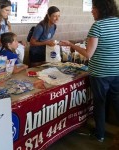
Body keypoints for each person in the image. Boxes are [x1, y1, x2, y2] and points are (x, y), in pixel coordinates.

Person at [60, 0, 119, 142]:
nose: (92, 11)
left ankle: (100, 135)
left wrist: (71, 44)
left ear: (101, 8)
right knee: (116, 101)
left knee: (100, 103)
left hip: (100, 73)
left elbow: (88, 54)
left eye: (93, 8)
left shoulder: (97, 26)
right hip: (117, 71)